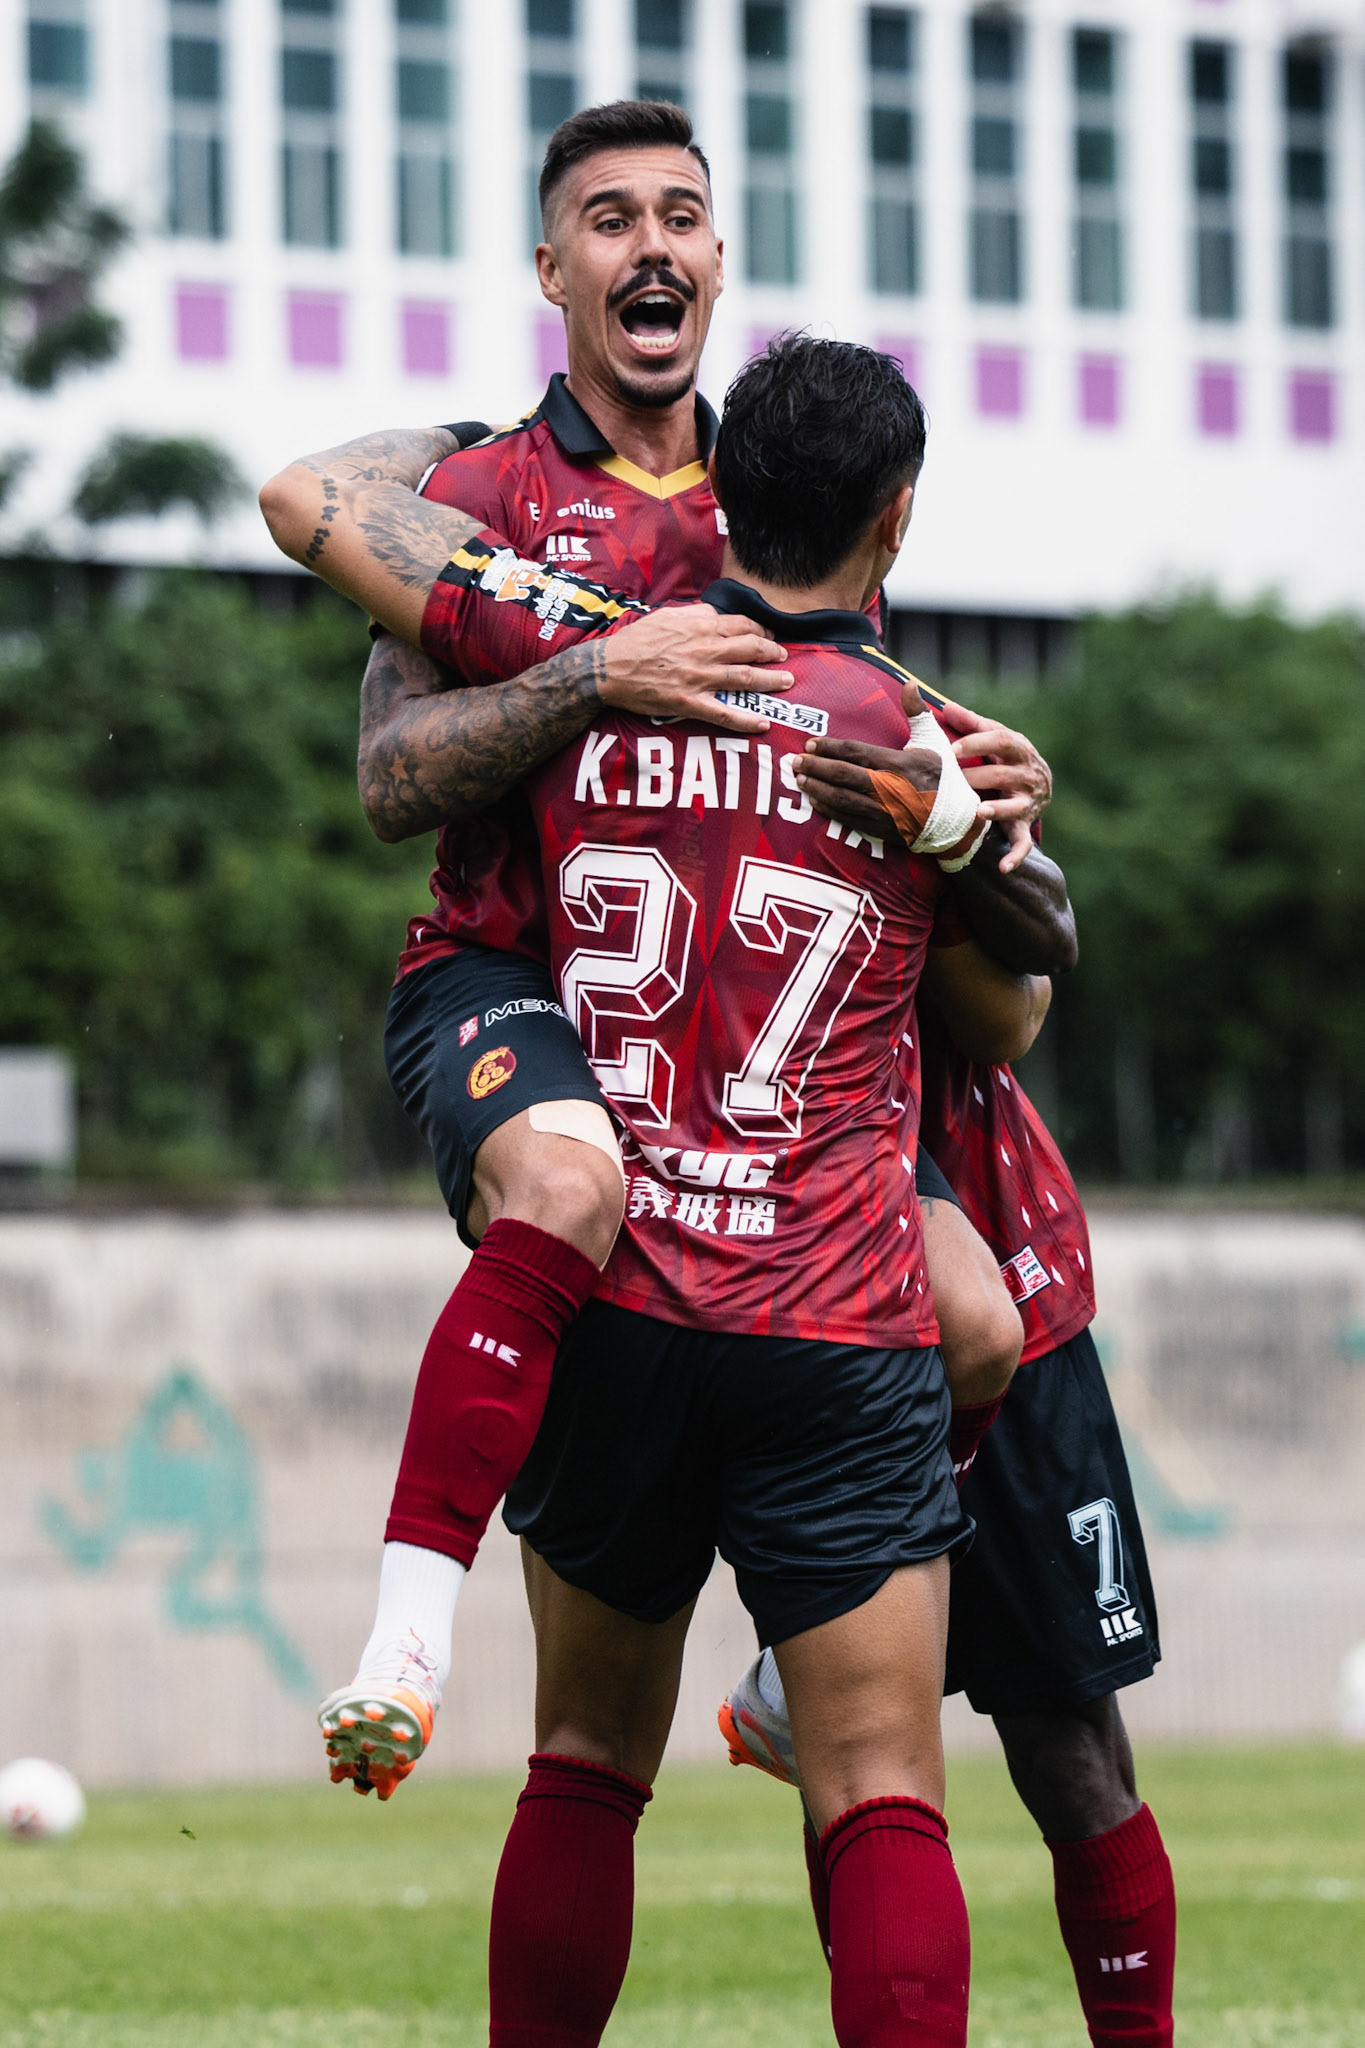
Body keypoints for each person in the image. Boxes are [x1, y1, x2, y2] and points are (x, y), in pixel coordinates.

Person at [260, 97, 1051, 1782]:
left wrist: (981, 791)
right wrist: (585, 676)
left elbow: (875, 749)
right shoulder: (480, 496)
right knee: (564, 1184)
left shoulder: (780, 506)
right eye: (606, 219)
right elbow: (392, 776)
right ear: (553, 269)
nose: (650, 245)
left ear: (714, 257)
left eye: (679, 214)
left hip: (761, 1042)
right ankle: (408, 1633)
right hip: (536, 1003)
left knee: (979, 1321)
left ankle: (786, 1662)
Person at [397, 330, 1026, 2048]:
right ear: (895, 522)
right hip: (835, 1311)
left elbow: (418, 770)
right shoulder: (916, 742)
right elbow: (1022, 1002)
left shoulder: (596, 688)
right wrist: (986, 837)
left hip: (614, 1299)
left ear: (719, 499)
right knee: (882, 1793)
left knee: (586, 1768)